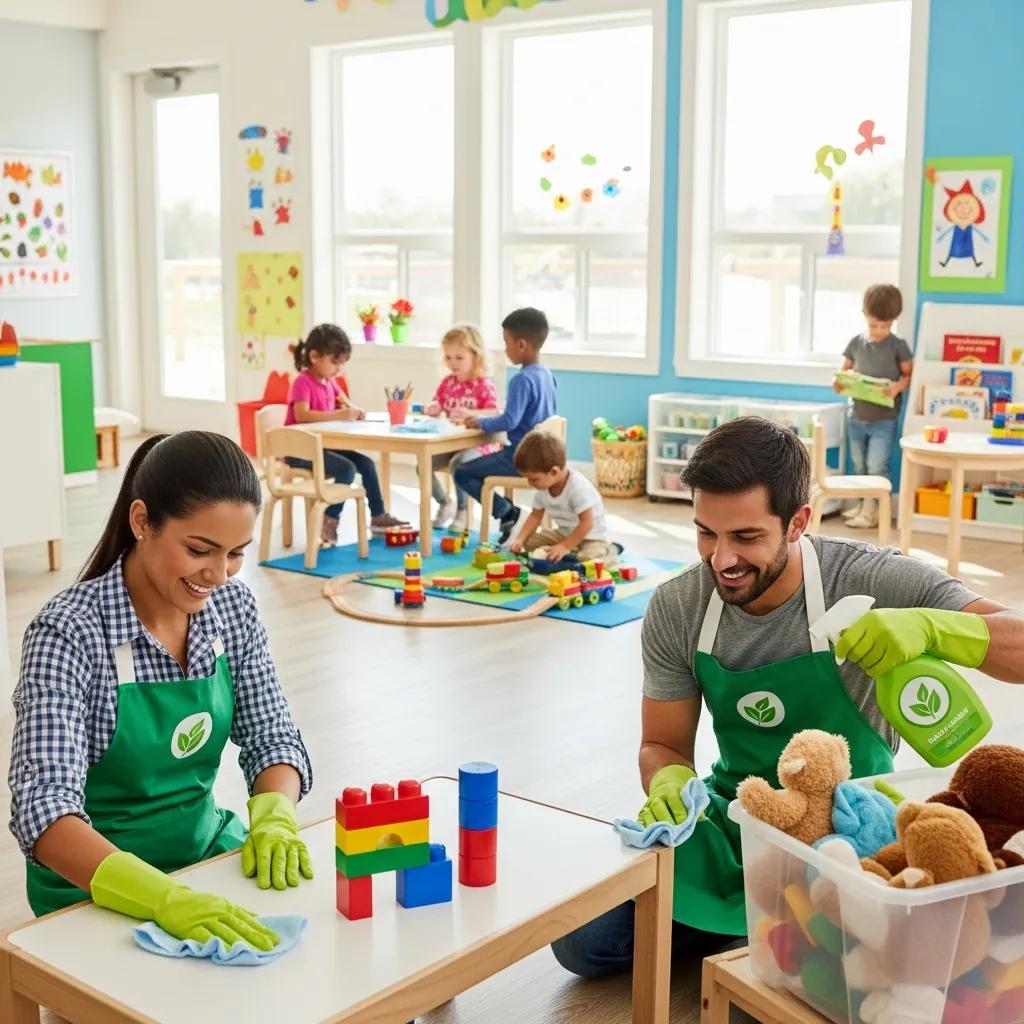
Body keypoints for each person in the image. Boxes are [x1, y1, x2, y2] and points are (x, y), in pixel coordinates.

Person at [552, 417, 1024, 979]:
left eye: (746, 537)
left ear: (799, 521)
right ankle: (770, 935)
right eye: (706, 533)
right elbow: (661, 744)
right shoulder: (678, 607)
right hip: (740, 822)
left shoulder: (873, 580)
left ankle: (762, 938)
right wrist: (670, 782)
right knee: (582, 940)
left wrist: (933, 628)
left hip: (852, 837)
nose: (721, 559)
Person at [9, 432, 318, 949]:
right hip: (90, 890)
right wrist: (162, 898)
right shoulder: (69, 633)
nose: (218, 575)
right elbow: (43, 809)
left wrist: (276, 820)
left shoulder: (233, 609)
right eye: (199, 550)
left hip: (202, 858)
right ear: (141, 521)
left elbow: (272, 737)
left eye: (235, 554)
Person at [286, 323, 407, 545]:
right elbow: (302, 415)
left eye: (341, 364)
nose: (338, 369)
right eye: (335, 363)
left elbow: (345, 402)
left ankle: (378, 515)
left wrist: (354, 410)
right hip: (300, 451)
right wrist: (339, 414)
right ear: (314, 357)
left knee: (367, 464)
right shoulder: (303, 382)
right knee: (347, 468)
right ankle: (330, 518)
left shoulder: (329, 382)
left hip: (324, 446)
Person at [452, 308, 557, 543]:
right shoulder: (546, 375)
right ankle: (509, 517)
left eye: (506, 343)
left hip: (520, 458)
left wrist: (479, 421)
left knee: (461, 472)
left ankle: (509, 513)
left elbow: (510, 421)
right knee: (472, 467)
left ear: (521, 344)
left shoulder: (522, 379)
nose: (505, 349)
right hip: (545, 456)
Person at [833, 284, 913, 530]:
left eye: (885, 326)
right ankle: (863, 505)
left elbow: (908, 376)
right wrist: (839, 383)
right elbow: (843, 372)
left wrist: (896, 388)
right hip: (857, 415)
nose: (879, 331)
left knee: (877, 466)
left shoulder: (898, 346)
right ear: (865, 316)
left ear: (893, 321)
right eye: (874, 325)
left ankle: (873, 509)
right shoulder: (856, 343)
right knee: (859, 465)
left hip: (883, 419)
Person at [425, 324, 502, 532]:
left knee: (458, 464)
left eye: (459, 358)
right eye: (448, 357)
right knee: (423, 465)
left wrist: (472, 413)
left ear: (476, 356)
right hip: (450, 443)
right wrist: (434, 408)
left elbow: (495, 411)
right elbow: (437, 403)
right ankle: (444, 503)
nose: (453, 363)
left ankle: (463, 510)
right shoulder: (447, 383)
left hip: (479, 445)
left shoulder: (482, 384)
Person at [507, 430, 616, 565]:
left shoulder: (578, 488)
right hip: (564, 533)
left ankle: (606, 550)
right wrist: (520, 539)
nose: (530, 483)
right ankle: (570, 552)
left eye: (534, 479)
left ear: (554, 471)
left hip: (591, 536)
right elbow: (535, 516)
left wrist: (565, 546)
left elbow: (587, 523)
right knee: (527, 545)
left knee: (591, 560)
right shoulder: (543, 488)